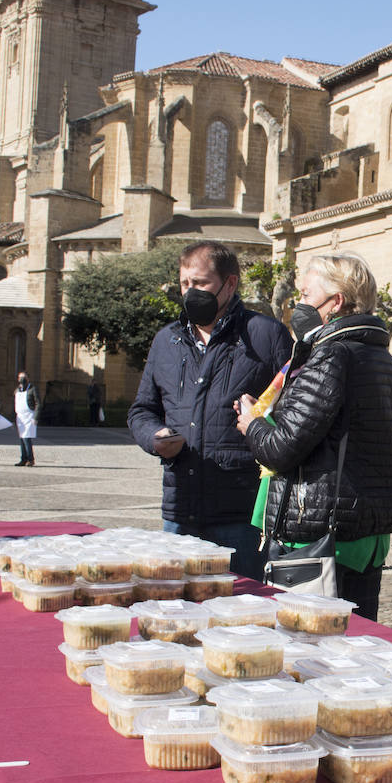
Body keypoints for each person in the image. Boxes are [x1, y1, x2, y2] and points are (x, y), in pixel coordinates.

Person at [235, 253, 392, 620]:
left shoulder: (332, 355)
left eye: (307, 295)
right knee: (357, 641)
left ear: (336, 301)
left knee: (313, 651)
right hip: (362, 533)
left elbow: (281, 449)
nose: (299, 306)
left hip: (321, 535)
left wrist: (253, 424)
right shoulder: (382, 358)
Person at [129, 241, 292, 580]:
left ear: (229, 284)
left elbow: (292, 413)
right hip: (180, 509)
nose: (191, 292)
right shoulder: (166, 341)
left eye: (200, 284)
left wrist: (259, 424)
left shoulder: (265, 335)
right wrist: (154, 437)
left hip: (240, 513)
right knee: (176, 610)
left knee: (243, 613)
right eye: (185, 284)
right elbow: (142, 410)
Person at [14, 372, 39, 465]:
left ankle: (30, 459)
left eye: (23, 377)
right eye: (20, 377)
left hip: (29, 416)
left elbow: (38, 403)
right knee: (21, 438)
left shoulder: (32, 389)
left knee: (26, 438)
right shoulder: (18, 390)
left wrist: (36, 417)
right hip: (20, 416)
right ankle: (23, 458)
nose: (21, 379)